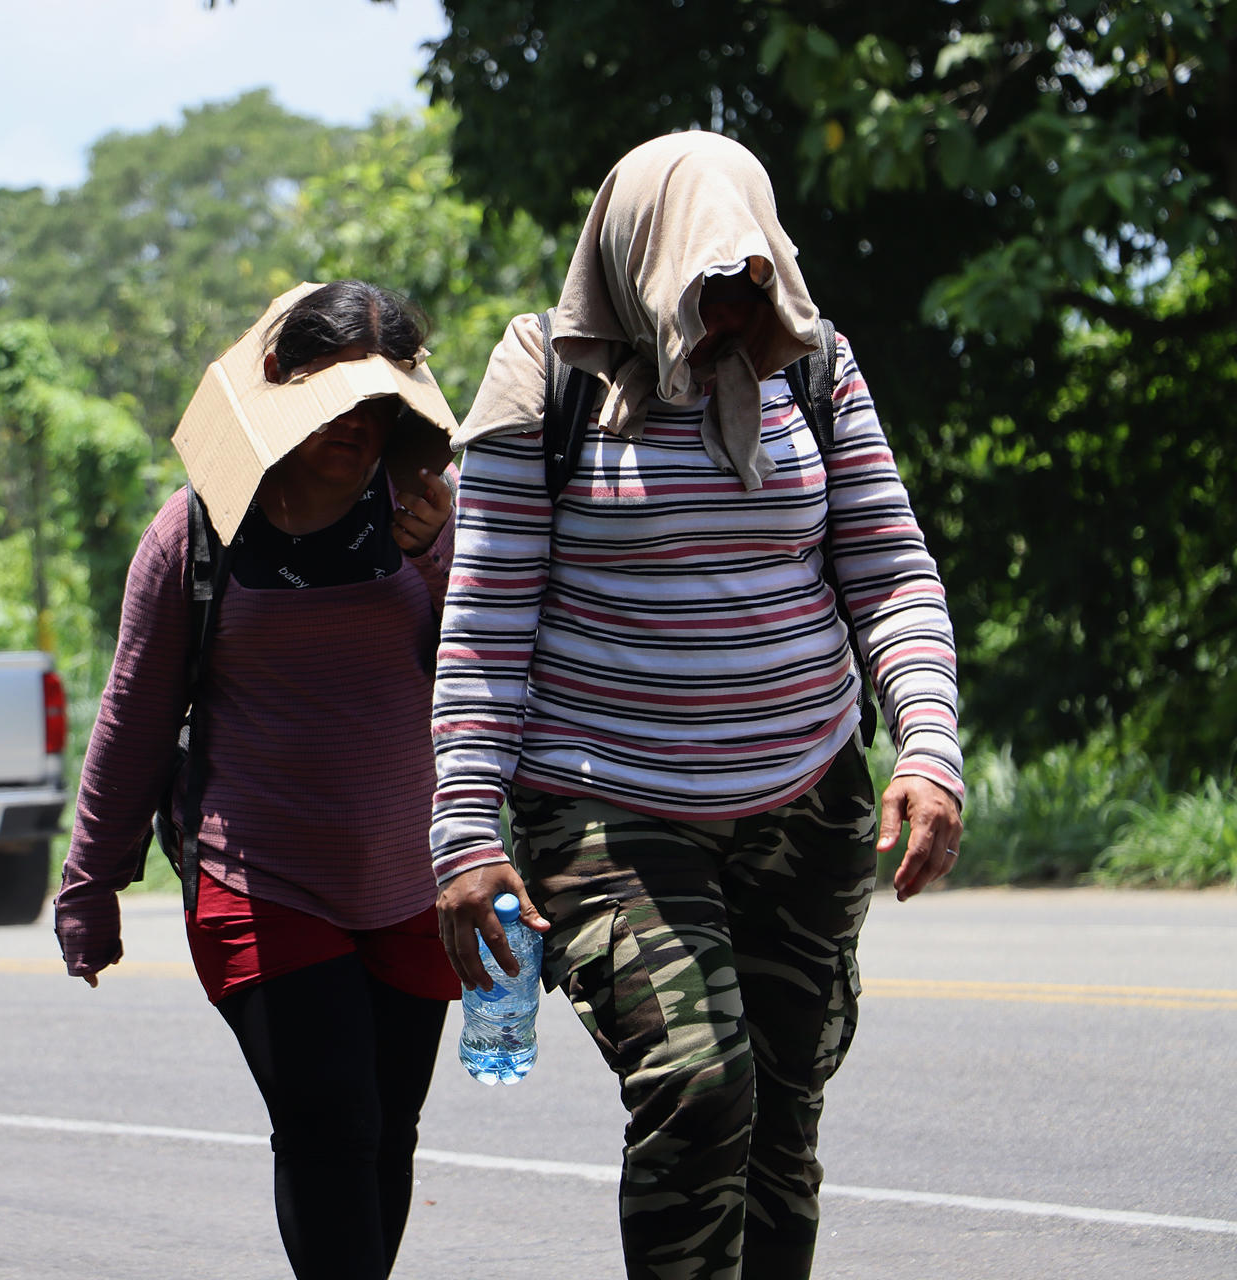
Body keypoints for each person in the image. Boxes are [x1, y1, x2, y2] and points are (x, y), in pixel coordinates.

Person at [430, 133, 965, 1280]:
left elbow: (890, 571)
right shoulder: (545, 379)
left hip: (807, 797)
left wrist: (927, 739)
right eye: (701, 285)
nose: (728, 311)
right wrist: (466, 829)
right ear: (633, 260)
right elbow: (484, 628)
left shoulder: (814, 366)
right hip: (610, 807)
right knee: (699, 1081)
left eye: (749, 280)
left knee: (782, 1108)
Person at [55, 281, 461, 1280]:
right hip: (260, 878)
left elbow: (488, 679)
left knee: (386, 1131)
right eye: (338, 399)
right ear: (281, 387)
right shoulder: (196, 532)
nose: (359, 427)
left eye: (381, 406)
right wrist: (91, 883)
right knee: (332, 1117)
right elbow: (134, 715)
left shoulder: (430, 517)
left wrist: (439, 557)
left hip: (414, 881)